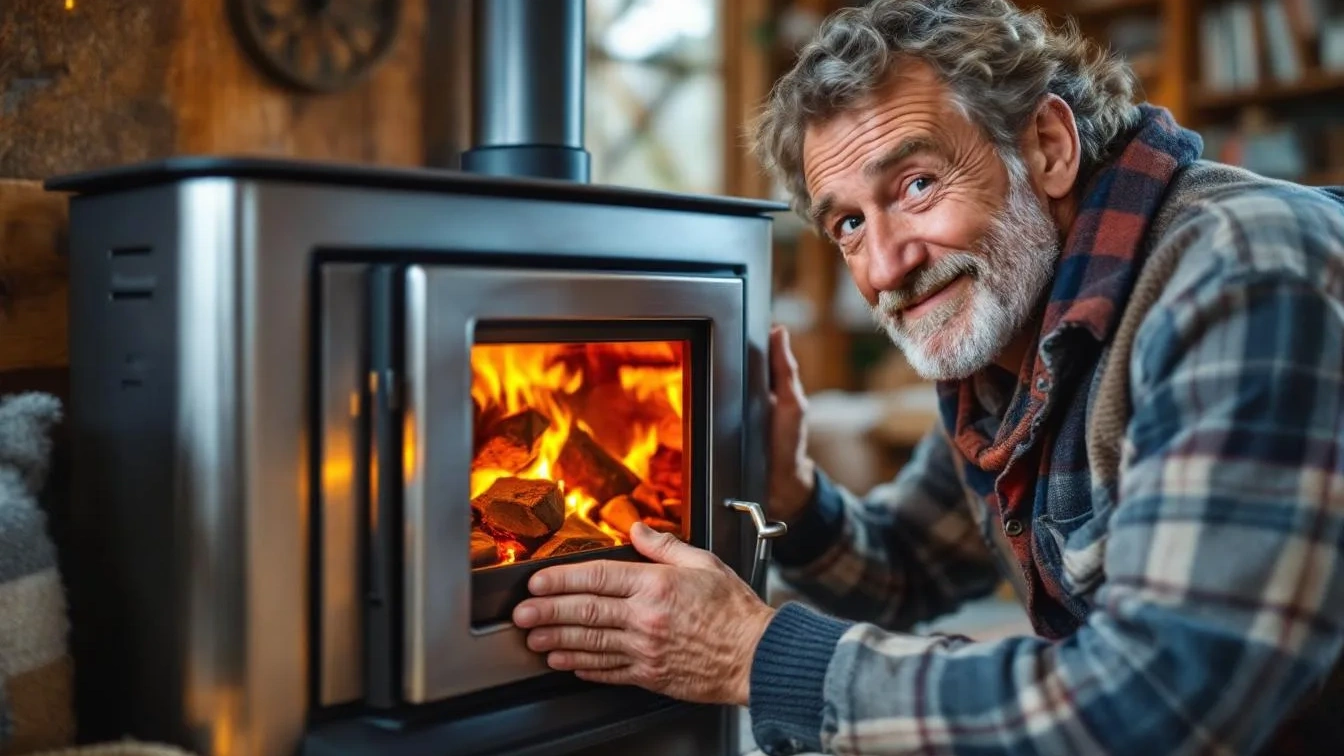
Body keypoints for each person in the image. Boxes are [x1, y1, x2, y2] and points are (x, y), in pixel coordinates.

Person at [510, 0, 1344, 752]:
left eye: (915, 185)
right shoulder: (1023, 335)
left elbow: (1167, 705)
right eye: (847, 223)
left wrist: (754, 659)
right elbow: (906, 568)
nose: (884, 266)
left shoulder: (1240, 273)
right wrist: (792, 495)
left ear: (1048, 148)